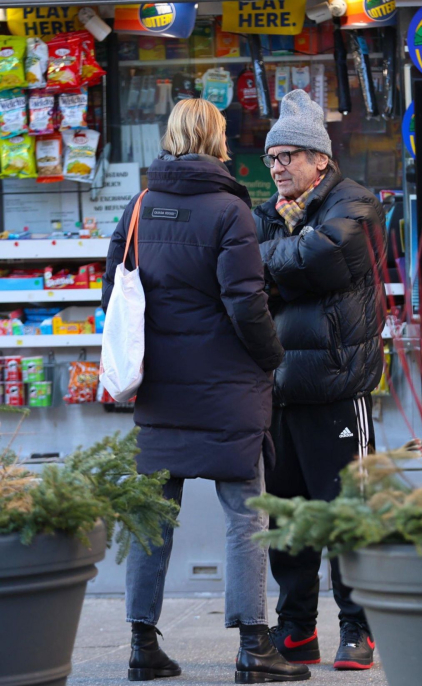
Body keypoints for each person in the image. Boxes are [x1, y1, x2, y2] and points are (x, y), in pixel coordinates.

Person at [102, 99, 310, 684]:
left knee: (152, 518)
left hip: (160, 389)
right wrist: (272, 357)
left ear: (171, 138)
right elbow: (245, 302)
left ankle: (142, 644)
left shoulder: (140, 207)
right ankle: (254, 648)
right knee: (246, 516)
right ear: (218, 140)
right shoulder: (230, 210)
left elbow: (113, 296)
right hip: (227, 388)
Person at [252, 89, 387, 671]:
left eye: (289, 156)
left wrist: (278, 260)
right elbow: (246, 273)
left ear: (321, 160)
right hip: (281, 388)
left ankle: (359, 628)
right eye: (272, 158)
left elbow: (324, 258)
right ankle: (296, 630)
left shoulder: (354, 202)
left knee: (348, 514)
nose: (278, 167)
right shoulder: (267, 212)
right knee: (289, 520)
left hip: (337, 386)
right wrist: (285, 257)